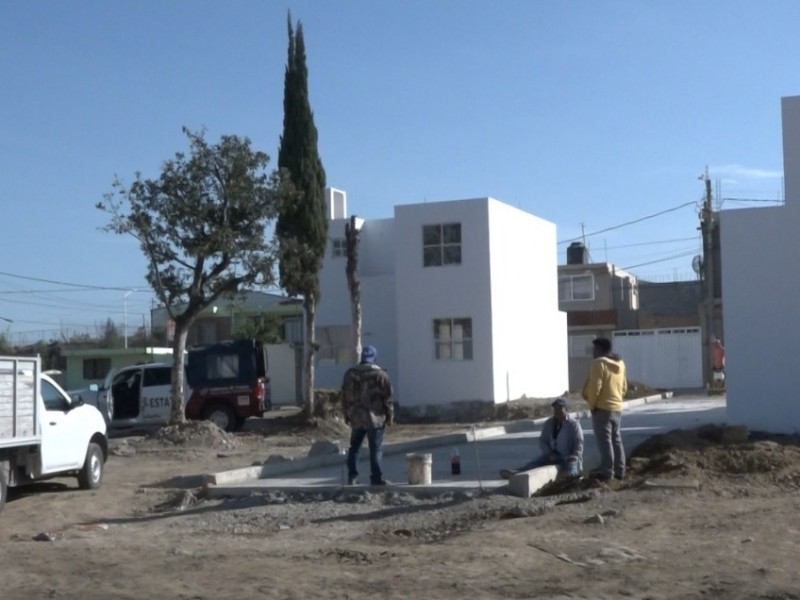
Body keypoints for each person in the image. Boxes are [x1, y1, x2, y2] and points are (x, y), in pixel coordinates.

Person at [341, 345, 394, 486]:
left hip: (357, 417)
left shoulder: (350, 374)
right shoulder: (381, 375)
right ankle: (376, 478)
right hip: (375, 418)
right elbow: (387, 398)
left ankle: (352, 477)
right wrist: (390, 416)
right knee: (375, 449)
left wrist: (346, 414)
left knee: (354, 448)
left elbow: (344, 397)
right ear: (374, 358)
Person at [500, 398, 584, 479]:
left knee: (571, 470)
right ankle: (515, 473)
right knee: (535, 463)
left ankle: (570, 482)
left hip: (568, 456)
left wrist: (575, 454)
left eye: (560, 408)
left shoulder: (573, 424)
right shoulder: (549, 423)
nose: (557, 411)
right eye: (555, 409)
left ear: (565, 409)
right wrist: (549, 453)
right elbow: (543, 440)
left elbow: (579, 441)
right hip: (553, 455)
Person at [582, 337, 628, 482]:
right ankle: (620, 470)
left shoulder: (598, 364)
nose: (593, 352)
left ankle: (607, 471)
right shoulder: (620, 364)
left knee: (604, 441)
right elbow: (624, 387)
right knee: (616, 439)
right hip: (617, 408)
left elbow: (595, 388)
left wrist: (592, 406)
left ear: (600, 350)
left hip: (602, 408)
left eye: (595, 349)